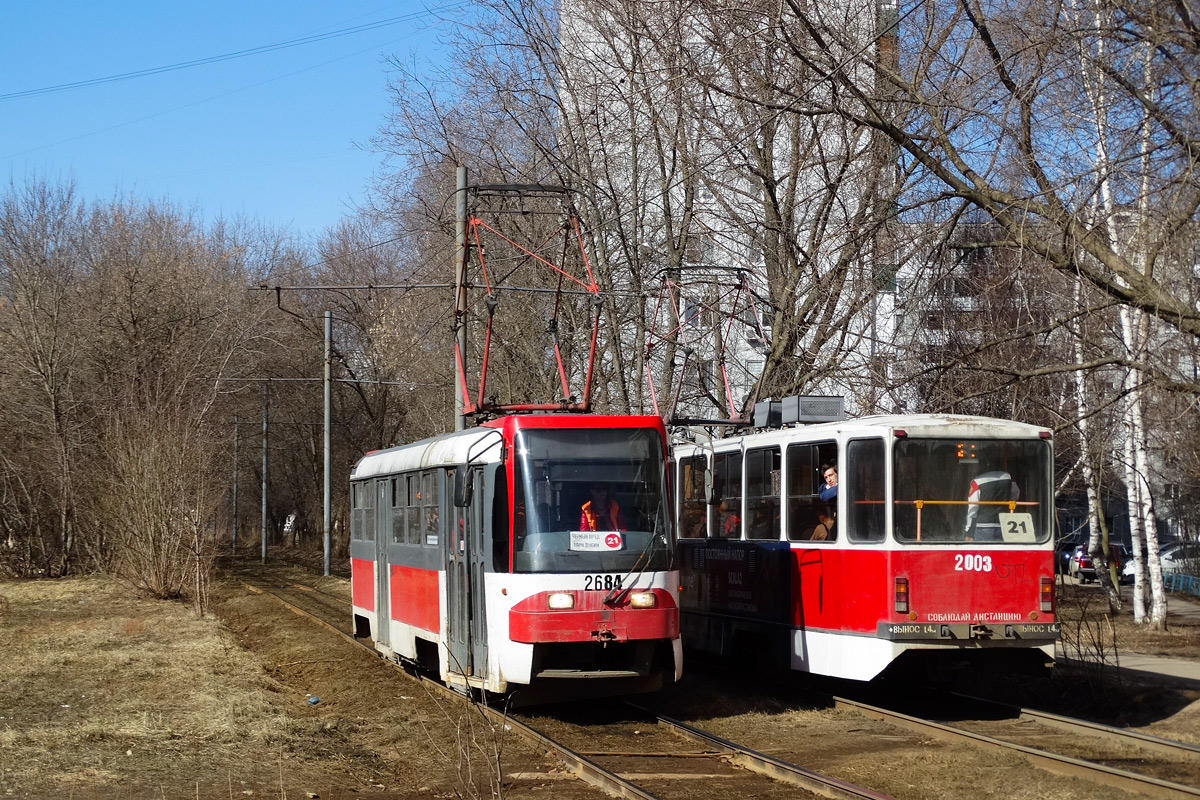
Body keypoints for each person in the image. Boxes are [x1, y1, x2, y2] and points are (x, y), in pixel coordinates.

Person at [964, 470, 1019, 541]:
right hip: (1005, 523)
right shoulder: (1009, 478)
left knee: (984, 551)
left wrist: (969, 531)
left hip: (983, 525)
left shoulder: (976, 482)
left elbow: (973, 507)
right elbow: (1015, 494)